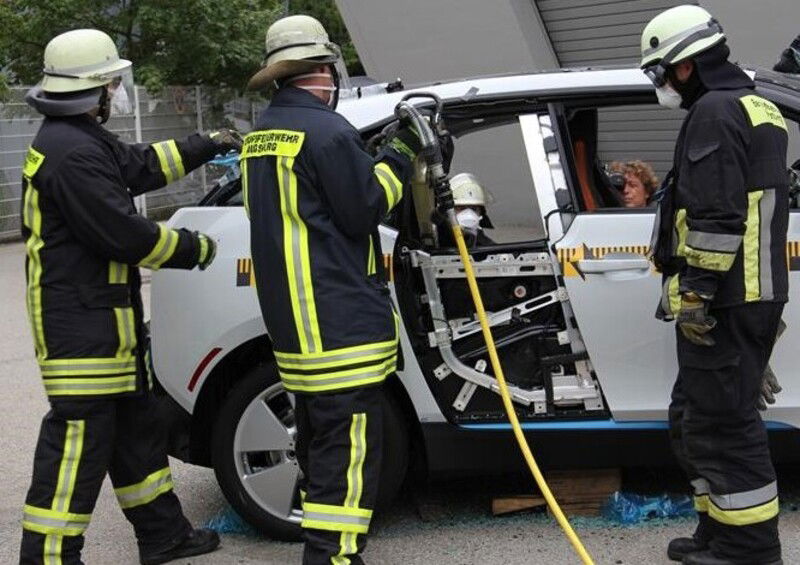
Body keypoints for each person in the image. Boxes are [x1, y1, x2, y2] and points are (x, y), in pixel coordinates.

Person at [18, 29, 241, 565]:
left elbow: (139, 165)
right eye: (113, 83)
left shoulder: (79, 137)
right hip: (79, 327)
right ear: (93, 88)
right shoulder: (69, 152)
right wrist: (198, 248)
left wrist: (204, 144)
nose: (118, 91)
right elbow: (122, 235)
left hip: (104, 321)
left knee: (136, 430)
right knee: (77, 445)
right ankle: (47, 555)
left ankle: (164, 536)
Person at [242, 15, 420, 564]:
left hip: (297, 332)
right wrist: (401, 154)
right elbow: (364, 206)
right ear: (320, 71)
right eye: (330, 70)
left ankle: (328, 553)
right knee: (349, 459)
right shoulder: (329, 132)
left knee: (321, 453)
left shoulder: (262, 137)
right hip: (340, 325)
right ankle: (333, 558)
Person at [642, 6, 788, 565]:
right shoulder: (761, 108)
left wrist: (698, 296)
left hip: (723, 300)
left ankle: (748, 549)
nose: (661, 85)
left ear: (683, 66)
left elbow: (717, 217)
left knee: (725, 427)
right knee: (696, 418)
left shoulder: (713, 112)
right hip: (750, 298)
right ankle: (718, 532)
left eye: (659, 72)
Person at [437, 172, 496, 248]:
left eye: (474, 209)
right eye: (461, 208)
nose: (469, 214)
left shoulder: (481, 242)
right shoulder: (433, 240)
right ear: (445, 212)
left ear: (481, 213)